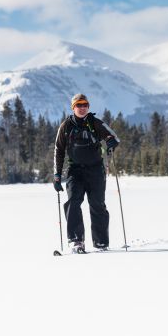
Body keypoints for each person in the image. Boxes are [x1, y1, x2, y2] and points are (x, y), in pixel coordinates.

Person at [53, 93, 120, 253]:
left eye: (85, 105)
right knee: (73, 202)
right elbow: (58, 150)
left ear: (88, 107)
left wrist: (111, 141)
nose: (82, 108)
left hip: (96, 170)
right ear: (73, 107)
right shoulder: (65, 126)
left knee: (97, 204)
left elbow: (114, 138)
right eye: (79, 105)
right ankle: (76, 241)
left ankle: (101, 243)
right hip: (74, 170)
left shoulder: (95, 123)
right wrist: (56, 175)